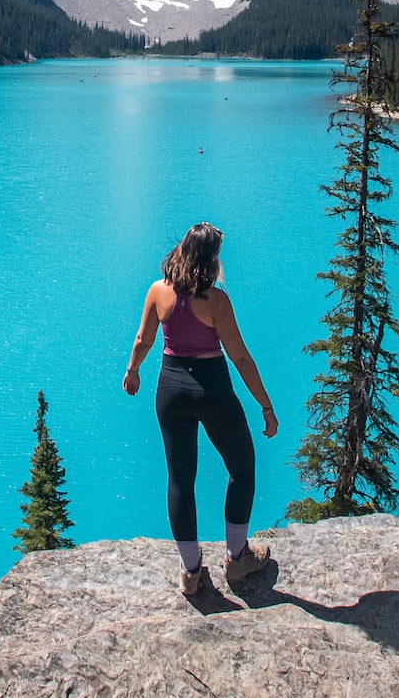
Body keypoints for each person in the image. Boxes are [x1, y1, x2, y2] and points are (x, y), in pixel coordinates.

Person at [123, 222, 278, 596]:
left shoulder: (159, 291)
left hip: (171, 391)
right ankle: (237, 558)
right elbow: (240, 357)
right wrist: (266, 405)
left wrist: (132, 371)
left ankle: (191, 572)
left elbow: (144, 339)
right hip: (213, 391)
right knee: (242, 469)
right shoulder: (215, 301)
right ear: (210, 260)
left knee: (180, 479)